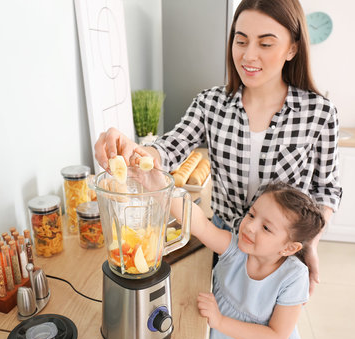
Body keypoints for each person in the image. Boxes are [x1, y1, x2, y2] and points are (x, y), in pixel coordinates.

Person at [94, 0, 342, 295]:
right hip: (222, 239)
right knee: (219, 322)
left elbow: (327, 190)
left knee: (268, 334)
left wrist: (310, 242)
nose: (248, 55)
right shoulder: (210, 103)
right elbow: (170, 148)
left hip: (279, 256)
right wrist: (133, 151)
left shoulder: (319, 113)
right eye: (241, 40)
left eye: (265, 44)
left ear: (292, 48)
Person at [170, 181, 326, 339]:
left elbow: (275, 338)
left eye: (266, 228)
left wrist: (220, 321)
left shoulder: (293, 277)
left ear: (289, 248)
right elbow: (202, 226)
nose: (250, 227)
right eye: (251, 215)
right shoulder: (235, 249)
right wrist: (164, 188)